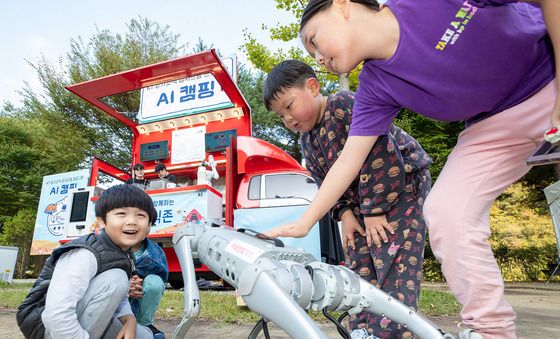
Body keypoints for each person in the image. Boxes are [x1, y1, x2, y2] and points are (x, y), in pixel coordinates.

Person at [265, 1, 559, 338]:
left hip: (549, 70)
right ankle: (491, 330)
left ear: (342, 6)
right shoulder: (375, 87)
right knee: (447, 211)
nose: (316, 58)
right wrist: (304, 222)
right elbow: (349, 160)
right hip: (493, 126)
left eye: (314, 40)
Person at [264, 59, 432, 338]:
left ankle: (393, 333)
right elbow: (326, 182)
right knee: (358, 264)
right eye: (281, 116)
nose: (288, 119)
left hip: (402, 188)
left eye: (289, 106)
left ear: (313, 86)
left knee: (394, 261)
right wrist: (346, 215)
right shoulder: (308, 141)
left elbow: (382, 154)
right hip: (363, 205)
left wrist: (375, 211)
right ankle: (363, 330)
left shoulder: (343, 104)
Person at [17, 184, 158, 339]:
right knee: (116, 278)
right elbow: (57, 313)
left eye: (141, 215)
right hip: (47, 327)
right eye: (121, 213)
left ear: (149, 226)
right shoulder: (85, 254)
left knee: (146, 335)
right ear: (101, 222)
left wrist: (129, 319)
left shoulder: (125, 253)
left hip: (82, 318)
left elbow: (119, 296)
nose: (132, 221)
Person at [128, 237, 168, 339]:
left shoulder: (155, 251)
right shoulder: (103, 248)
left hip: (138, 297)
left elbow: (161, 278)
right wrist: (124, 285)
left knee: (154, 282)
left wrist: (138, 283)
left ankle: (144, 325)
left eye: (142, 219)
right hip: (111, 307)